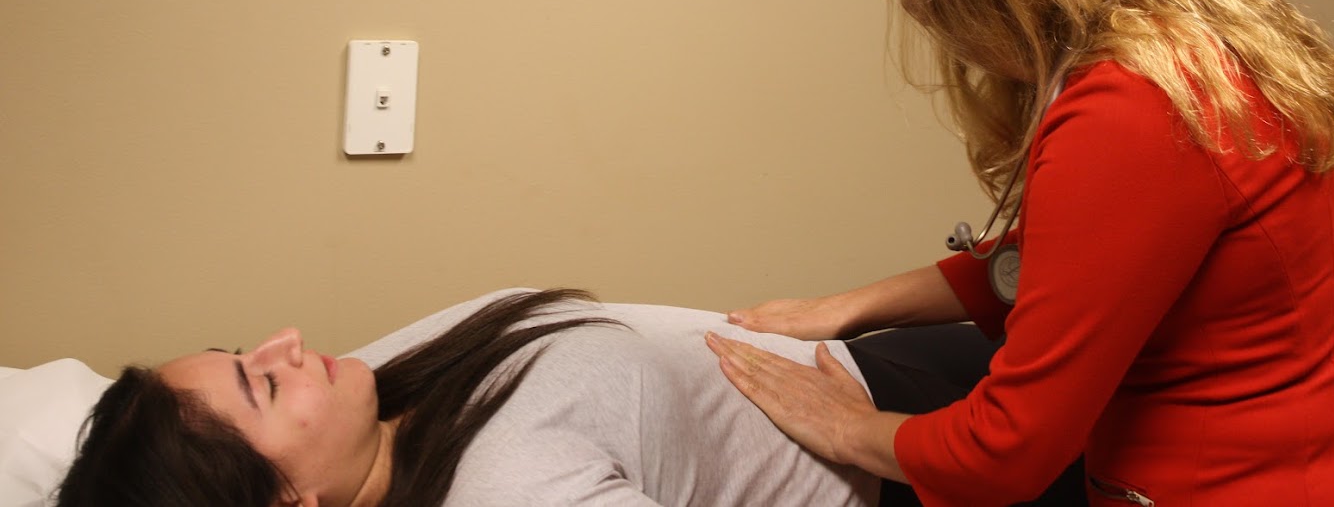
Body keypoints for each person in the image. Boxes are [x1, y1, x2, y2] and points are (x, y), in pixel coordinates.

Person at [704, 0, 1334, 506]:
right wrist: (848, 307)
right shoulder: (1184, 29)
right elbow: (1081, 257)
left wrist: (846, 425)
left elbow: (1000, 454)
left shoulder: (1130, 105)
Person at [57, 286, 1013, 507]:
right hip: (933, 463)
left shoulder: (382, 393)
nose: (288, 345)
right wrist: (874, 438)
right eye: (261, 380)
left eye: (249, 348)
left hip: (898, 370)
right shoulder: (511, 488)